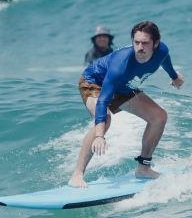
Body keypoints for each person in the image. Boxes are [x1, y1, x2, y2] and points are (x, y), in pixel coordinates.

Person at [69, 21, 184, 188]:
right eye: (136, 42)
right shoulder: (120, 64)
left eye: (145, 43)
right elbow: (103, 100)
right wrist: (100, 136)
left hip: (124, 86)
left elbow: (164, 60)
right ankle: (77, 175)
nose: (140, 47)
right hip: (95, 82)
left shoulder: (162, 51)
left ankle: (143, 169)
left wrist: (174, 77)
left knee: (159, 117)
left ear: (156, 43)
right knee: (105, 119)